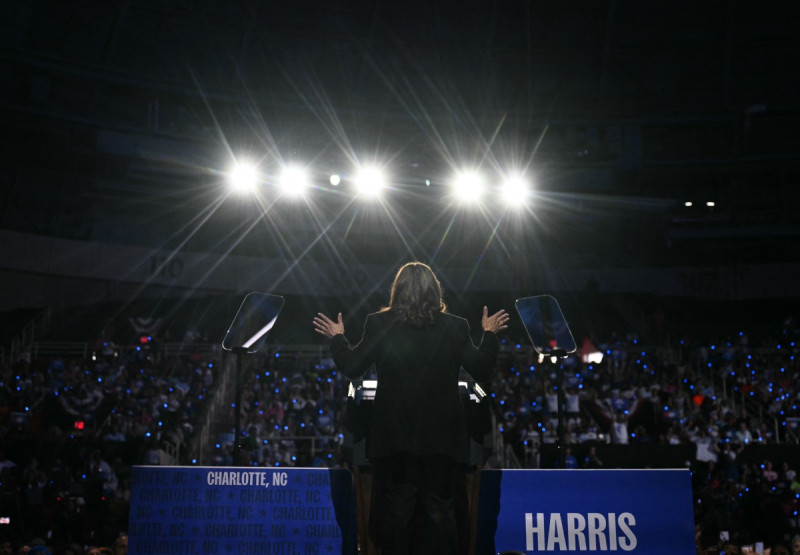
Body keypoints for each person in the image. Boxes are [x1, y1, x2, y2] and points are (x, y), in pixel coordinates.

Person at [313, 261, 508, 554]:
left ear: (398, 291)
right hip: (443, 442)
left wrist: (338, 338)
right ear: (435, 290)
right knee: (442, 518)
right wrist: (489, 333)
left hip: (395, 443)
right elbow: (481, 368)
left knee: (397, 518)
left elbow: (353, 366)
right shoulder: (456, 325)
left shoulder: (378, 324)